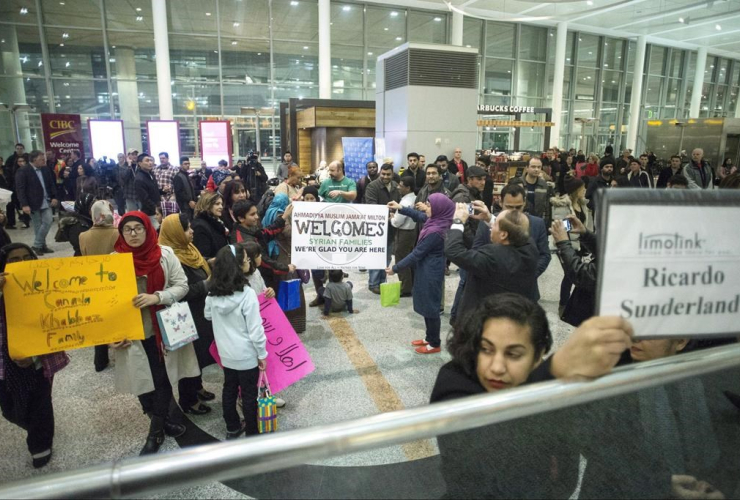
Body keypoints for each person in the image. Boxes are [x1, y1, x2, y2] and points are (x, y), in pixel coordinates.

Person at [432, 293, 634, 499]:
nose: (497, 367)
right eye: (486, 349)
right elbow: (485, 463)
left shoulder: (554, 393)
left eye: (514, 354)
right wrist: (552, 373)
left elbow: (580, 458)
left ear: (537, 357)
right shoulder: (454, 382)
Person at [111, 212, 198, 455]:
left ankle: (156, 430)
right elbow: (105, 302)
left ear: (148, 229)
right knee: (141, 382)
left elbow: (182, 285)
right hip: (131, 333)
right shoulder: (113, 261)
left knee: (161, 380)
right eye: (127, 229)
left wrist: (157, 296)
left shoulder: (164, 254)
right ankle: (160, 420)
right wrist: (111, 335)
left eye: (138, 228)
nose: (133, 234)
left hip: (160, 329)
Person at [0, 243, 69, 469]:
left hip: (39, 359)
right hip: (4, 364)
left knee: (40, 403)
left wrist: (37, 355)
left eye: (26, 257)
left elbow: (59, 323)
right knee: (10, 408)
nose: (21, 263)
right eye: (14, 259)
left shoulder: (46, 287)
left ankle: (41, 445)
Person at [205, 244, 267, 440]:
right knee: (249, 395)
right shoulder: (247, 294)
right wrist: (262, 354)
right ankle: (252, 433)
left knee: (229, 388)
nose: (249, 262)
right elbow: (255, 330)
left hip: (226, 353)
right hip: (246, 355)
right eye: (246, 260)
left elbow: (207, 316)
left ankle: (232, 426)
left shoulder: (212, 294)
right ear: (238, 266)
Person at [158, 214, 216, 416]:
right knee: (188, 357)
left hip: (199, 311)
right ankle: (188, 400)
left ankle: (197, 387)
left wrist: (210, 262)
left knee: (198, 355)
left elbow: (200, 266)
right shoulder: (169, 257)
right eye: (186, 229)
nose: (191, 232)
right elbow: (178, 291)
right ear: (175, 233)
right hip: (184, 315)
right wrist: (205, 284)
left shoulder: (188, 249)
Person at [445, 203, 539, 321]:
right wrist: (489, 218)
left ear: (504, 234)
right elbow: (515, 229)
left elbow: (454, 251)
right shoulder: (530, 248)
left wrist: (458, 221)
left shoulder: (492, 256)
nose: (491, 227)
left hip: (485, 321)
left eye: (495, 225)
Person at [386, 193, 454, 354]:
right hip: (425, 268)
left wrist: (395, 268)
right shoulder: (436, 220)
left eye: (430, 206)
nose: (426, 208)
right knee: (426, 303)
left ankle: (434, 343)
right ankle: (429, 337)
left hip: (431, 271)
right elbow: (418, 215)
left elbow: (416, 253)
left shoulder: (436, 231)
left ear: (439, 208)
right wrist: (400, 207)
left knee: (431, 307)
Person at [79, 201, 119, 372]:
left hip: (94, 282)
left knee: (99, 319)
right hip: (116, 280)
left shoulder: (83, 236)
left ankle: (100, 360)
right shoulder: (118, 233)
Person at [230, 200, 295, 292]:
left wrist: (283, 217)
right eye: (252, 214)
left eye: (256, 213)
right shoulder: (243, 241)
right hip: (255, 281)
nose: (257, 217)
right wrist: (285, 268)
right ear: (241, 218)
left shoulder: (250, 229)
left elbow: (267, 233)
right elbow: (264, 261)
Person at [264, 194, 306, 333]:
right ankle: (293, 324)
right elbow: (289, 232)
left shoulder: (268, 211)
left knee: (278, 287)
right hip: (283, 256)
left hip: (273, 254)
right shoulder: (280, 214)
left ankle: (279, 322)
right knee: (291, 288)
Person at [364, 163, 400, 294]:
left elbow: (399, 204)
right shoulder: (372, 186)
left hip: (391, 227)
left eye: (388, 174)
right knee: (375, 255)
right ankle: (373, 283)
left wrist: (393, 213)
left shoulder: (396, 186)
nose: (385, 176)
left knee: (387, 257)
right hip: (376, 228)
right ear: (380, 173)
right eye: (383, 174)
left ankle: (382, 281)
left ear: (392, 174)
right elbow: (371, 205)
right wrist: (387, 212)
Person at [15, 151, 58, 255]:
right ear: (34, 160)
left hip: (46, 201)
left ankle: (37, 245)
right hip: (32, 202)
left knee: (48, 221)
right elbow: (20, 189)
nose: (44, 161)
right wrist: (24, 204)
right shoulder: (23, 171)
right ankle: (42, 246)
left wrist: (54, 197)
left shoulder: (45, 169)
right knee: (37, 225)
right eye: (41, 159)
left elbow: (51, 184)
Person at [391, 176, 417, 297]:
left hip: (404, 233)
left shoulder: (405, 202)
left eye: (401, 185)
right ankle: (410, 285)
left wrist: (392, 218)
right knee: (409, 258)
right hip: (412, 232)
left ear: (408, 188)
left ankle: (405, 288)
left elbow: (397, 222)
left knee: (401, 259)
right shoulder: (414, 198)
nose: (398, 187)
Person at [191, 192, 229, 260]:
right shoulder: (199, 226)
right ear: (207, 205)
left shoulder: (217, 223)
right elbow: (204, 256)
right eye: (217, 204)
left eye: (221, 204)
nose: (221, 207)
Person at [58, 192, 95, 257]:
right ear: (86, 208)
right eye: (93, 206)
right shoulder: (79, 227)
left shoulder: (86, 220)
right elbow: (82, 248)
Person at [134, 154, 161, 229]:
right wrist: (155, 208)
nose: (150, 163)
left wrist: (162, 191)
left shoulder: (150, 174)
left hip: (157, 208)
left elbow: (153, 191)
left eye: (151, 160)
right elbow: (144, 198)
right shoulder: (139, 179)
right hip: (149, 212)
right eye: (147, 161)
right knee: (155, 231)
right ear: (140, 163)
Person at [173, 156, 196, 221]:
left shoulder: (187, 175)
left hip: (191, 205)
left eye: (188, 163)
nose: (187, 165)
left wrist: (199, 192)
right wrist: (189, 200)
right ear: (180, 165)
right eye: (185, 164)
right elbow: (179, 193)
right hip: (184, 206)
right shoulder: (178, 177)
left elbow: (190, 190)